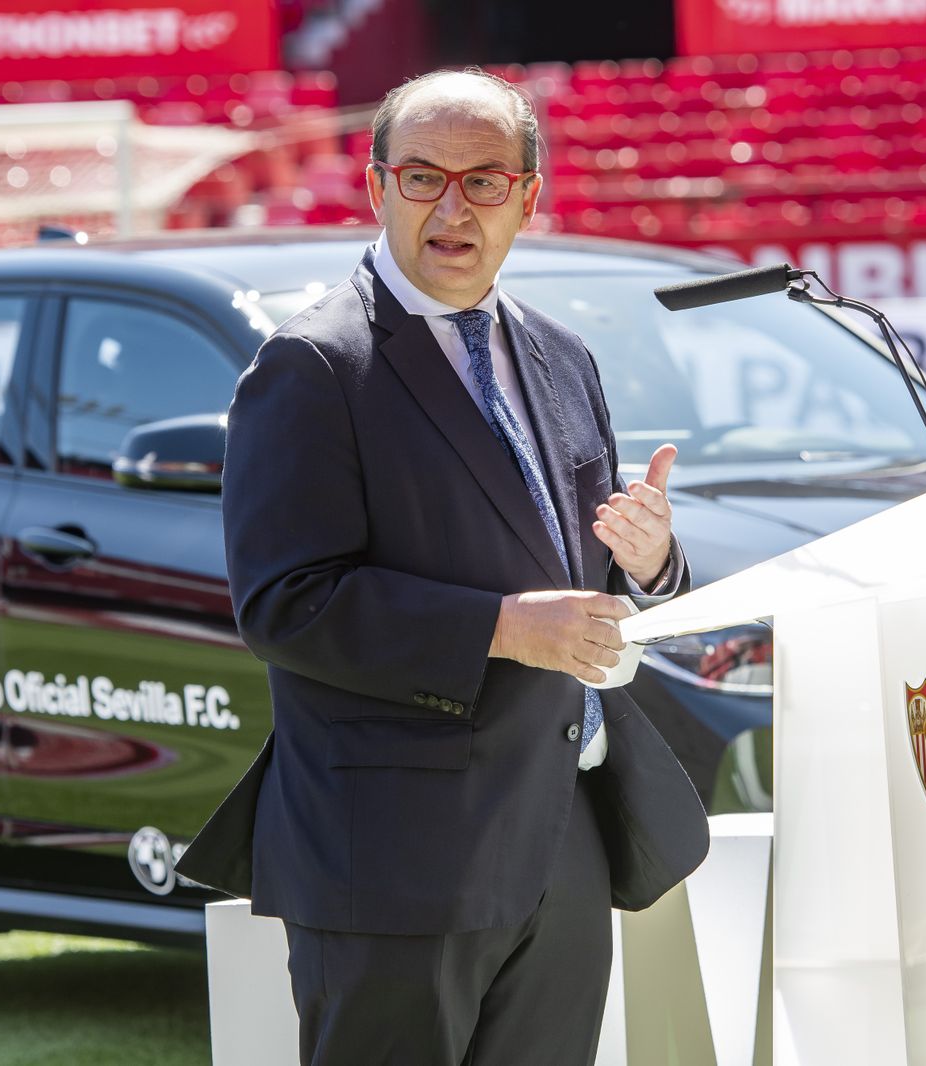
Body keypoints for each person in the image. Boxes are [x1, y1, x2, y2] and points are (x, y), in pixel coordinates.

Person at [175, 67, 710, 1066]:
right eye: (423, 177)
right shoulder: (313, 365)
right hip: (394, 855)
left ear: (527, 197)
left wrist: (651, 561)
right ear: (376, 188)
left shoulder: (562, 356)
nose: (453, 208)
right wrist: (503, 628)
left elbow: (577, 572)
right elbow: (286, 603)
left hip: (562, 834)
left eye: (484, 181)